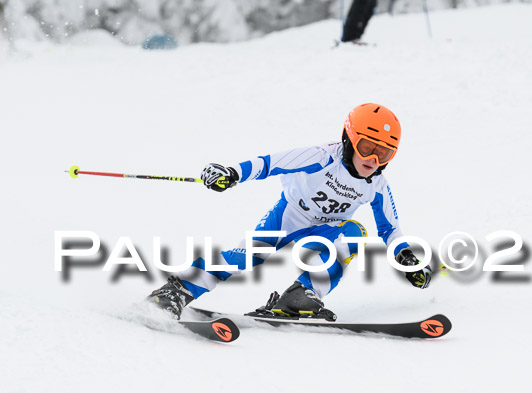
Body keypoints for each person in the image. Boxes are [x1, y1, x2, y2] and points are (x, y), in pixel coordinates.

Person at [146, 103, 432, 321]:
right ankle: (177, 291)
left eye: (384, 154)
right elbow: (271, 163)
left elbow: (390, 229)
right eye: (367, 147)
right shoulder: (321, 157)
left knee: (356, 233)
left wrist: (405, 257)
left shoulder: (377, 186)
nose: (372, 159)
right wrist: (233, 173)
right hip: (289, 217)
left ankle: (299, 296)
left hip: (328, 230)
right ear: (348, 138)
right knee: (247, 259)